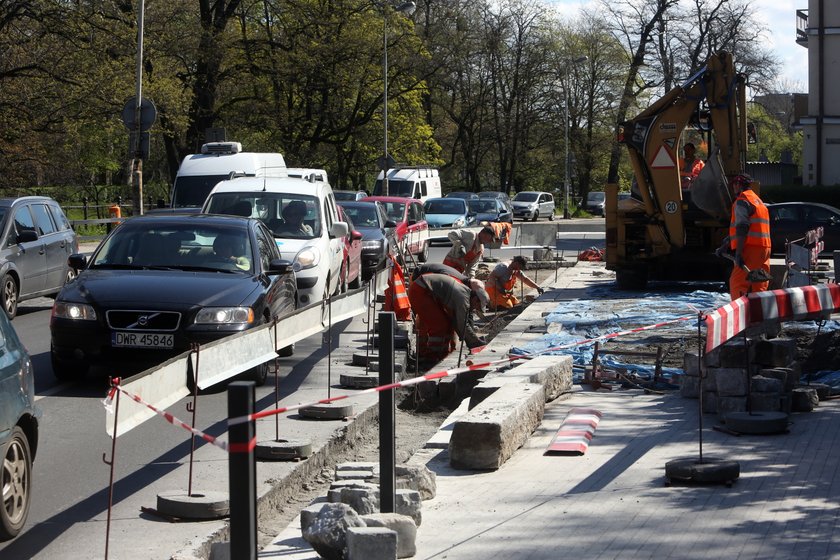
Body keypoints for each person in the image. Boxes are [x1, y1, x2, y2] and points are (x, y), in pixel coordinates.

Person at [407, 272, 489, 365]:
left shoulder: (465, 294)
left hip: (424, 290)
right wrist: (475, 342)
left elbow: (457, 322)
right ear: (475, 299)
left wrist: (471, 339)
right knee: (439, 325)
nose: (475, 309)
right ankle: (430, 358)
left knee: (446, 323)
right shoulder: (462, 299)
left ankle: (441, 354)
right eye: (477, 306)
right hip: (420, 291)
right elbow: (462, 324)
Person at [717, 174, 771, 300]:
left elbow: (742, 227)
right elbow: (748, 228)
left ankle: (740, 314)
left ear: (738, 185)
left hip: (750, 249)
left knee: (737, 283)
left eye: (734, 185)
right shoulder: (757, 201)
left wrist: (739, 253)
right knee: (759, 282)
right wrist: (725, 245)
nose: (733, 188)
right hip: (764, 249)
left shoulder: (742, 201)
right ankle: (761, 312)